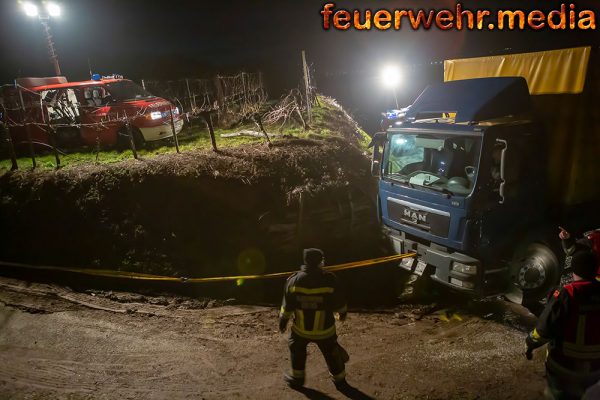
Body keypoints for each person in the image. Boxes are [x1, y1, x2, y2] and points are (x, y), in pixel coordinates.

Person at [525, 247, 600, 399]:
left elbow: (544, 330)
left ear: (574, 270)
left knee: (559, 394)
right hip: (596, 369)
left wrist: (530, 343)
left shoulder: (566, 293)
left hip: (564, 366)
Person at [279, 248, 350, 390]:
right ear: (320, 262)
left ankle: (297, 379)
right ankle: (340, 380)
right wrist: (342, 313)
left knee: (296, 349)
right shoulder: (330, 280)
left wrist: (283, 321)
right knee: (331, 352)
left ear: (305, 261)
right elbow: (339, 301)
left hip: (301, 331)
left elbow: (287, 306)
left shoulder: (293, 281)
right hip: (325, 331)